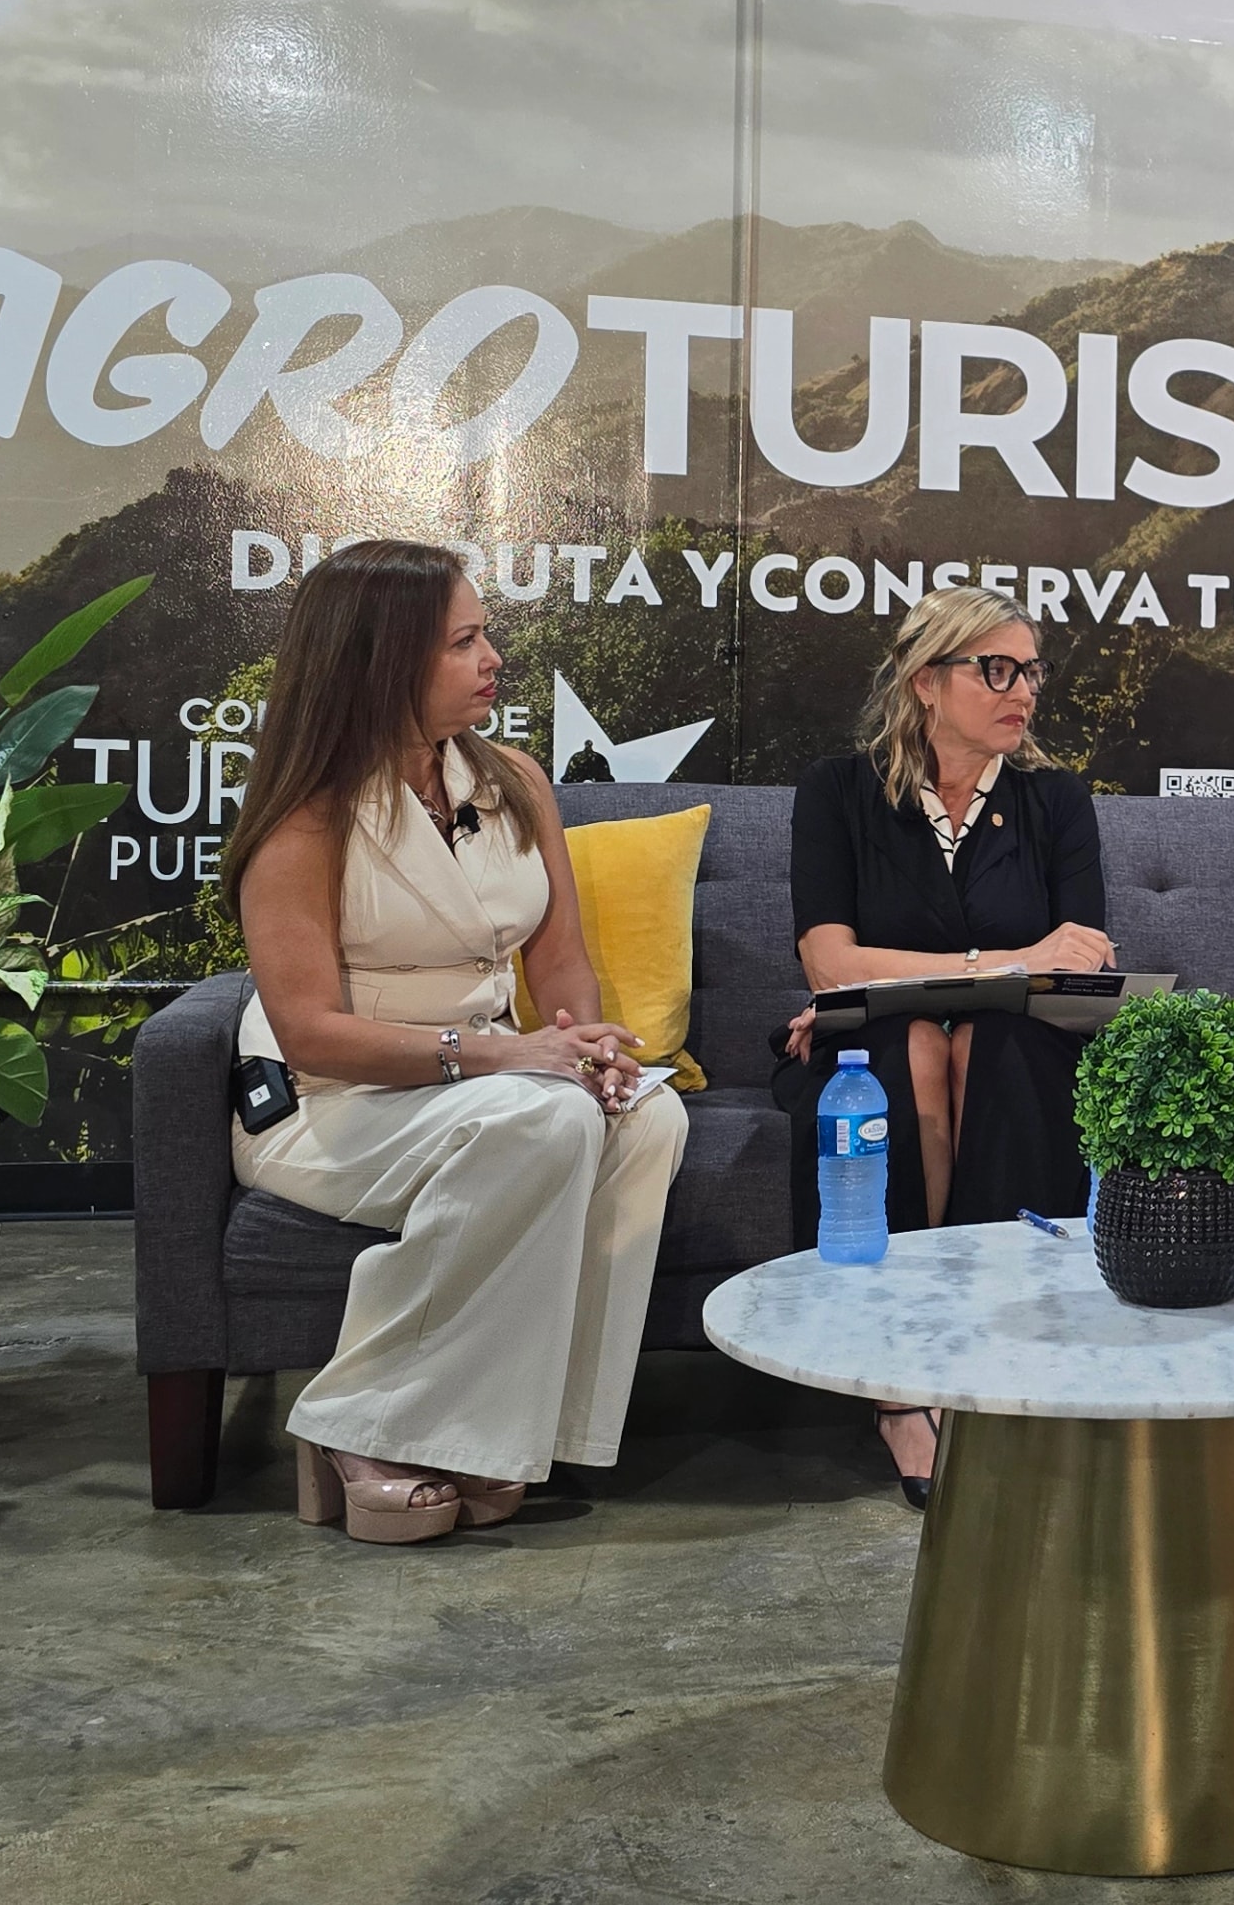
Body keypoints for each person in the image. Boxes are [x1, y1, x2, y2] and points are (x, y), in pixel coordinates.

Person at [222, 540, 686, 1545]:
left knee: (647, 1114)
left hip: (485, 1080)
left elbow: (558, 963)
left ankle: (514, 1431)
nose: (494, 658)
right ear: (383, 660)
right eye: (465, 641)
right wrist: (508, 1057)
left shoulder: (512, 777)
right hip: (331, 1099)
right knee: (545, 1118)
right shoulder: (302, 819)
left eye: (485, 634)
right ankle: (364, 1418)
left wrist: (585, 1040)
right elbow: (309, 1031)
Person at [773, 585, 1108, 1503]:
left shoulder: (1056, 802)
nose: (1022, 690)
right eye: (995, 669)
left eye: (1030, 670)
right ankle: (900, 1375)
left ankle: (994, 1343)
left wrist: (937, 983)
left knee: (989, 1044)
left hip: (1017, 1051)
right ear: (927, 681)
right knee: (910, 1045)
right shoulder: (838, 792)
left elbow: (1079, 966)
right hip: (870, 1051)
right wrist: (1003, 959)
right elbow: (830, 961)